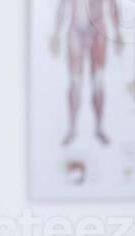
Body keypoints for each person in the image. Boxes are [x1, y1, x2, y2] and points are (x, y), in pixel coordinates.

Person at [51, 0, 126, 146]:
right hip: (76, 30)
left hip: (98, 30)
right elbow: (62, 5)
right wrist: (56, 33)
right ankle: (72, 128)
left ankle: (99, 127)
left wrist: (117, 33)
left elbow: (112, 5)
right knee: (75, 81)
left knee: (98, 80)